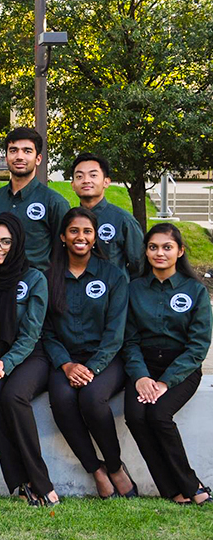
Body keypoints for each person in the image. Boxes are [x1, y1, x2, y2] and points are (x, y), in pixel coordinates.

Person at [43, 207, 134, 498]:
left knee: (93, 399)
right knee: (61, 399)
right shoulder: (48, 277)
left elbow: (115, 331)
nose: (80, 237)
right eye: (73, 231)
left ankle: (116, 467)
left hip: (105, 358)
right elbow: (45, 331)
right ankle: (96, 469)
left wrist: (93, 367)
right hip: (66, 359)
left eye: (87, 231)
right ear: (62, 237)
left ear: (95, 238)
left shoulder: (113, 276)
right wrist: (67, 365)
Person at [0, 213, 59, 506]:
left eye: (6, 241)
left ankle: (41, 481)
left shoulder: (34, 279)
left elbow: (32, 333)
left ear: (18, 243)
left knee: (13, 397)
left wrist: (4, 365)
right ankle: (20, 480)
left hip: (30, 355)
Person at [123, 223, 212, 505]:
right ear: (146, 251)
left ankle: (191, 484)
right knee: (136, 416)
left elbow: (198, 347)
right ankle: (169, 488)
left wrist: (164, 382)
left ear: (180, 251)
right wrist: (140, 377)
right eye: (153, 247)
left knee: (159, 415)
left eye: (167, 247)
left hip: (180, 369)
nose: (159, 253)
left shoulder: (195, 291)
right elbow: (129, 340)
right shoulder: (134, 289)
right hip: (144, 368)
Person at [0, 127, 69, 271]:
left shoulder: (54, 202)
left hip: (38, 285)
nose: (19, 156)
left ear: (38, 159)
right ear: (6, 157)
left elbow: (62, 252)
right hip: (0, 282)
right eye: (13, 150)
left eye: (27, 151)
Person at [70, 153, 143, 279]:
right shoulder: (69, 220)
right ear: (73, 185)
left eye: (93, 175)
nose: (86, 180)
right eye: (79, 176)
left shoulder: (123, 220)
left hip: (114, 294)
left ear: (106, 182)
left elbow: (140, 265)